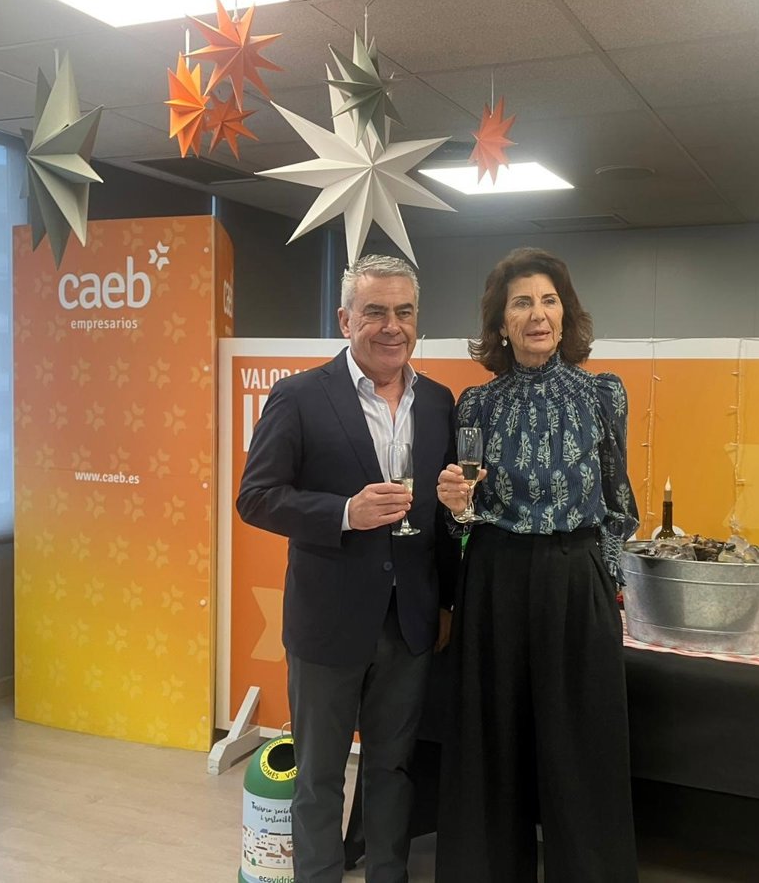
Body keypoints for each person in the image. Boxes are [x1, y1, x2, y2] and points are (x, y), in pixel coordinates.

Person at [237, 254, 460, 883]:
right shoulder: (299, 396)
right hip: (327, 621)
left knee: (392, 769)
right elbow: (256, 497)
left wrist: (447, 601)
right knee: (319, 776)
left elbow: (443, 519)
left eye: (404, 312)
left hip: (410, 622)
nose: (392, 326)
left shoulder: (438, 402)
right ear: (345, 320)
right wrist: (343, 512)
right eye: (375, 312)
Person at [434, 247, 639, 883]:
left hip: (575, 577)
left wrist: (604, 581)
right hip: (494, 579)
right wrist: (456, 509)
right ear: (501, 321)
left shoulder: (603, 395)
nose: (537, 314)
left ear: (565, 313)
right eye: (521, 303)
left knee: (581, 746)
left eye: (549, 301)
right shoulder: (474, 404)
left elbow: (620, 507)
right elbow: (464, 521)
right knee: (492, 743)